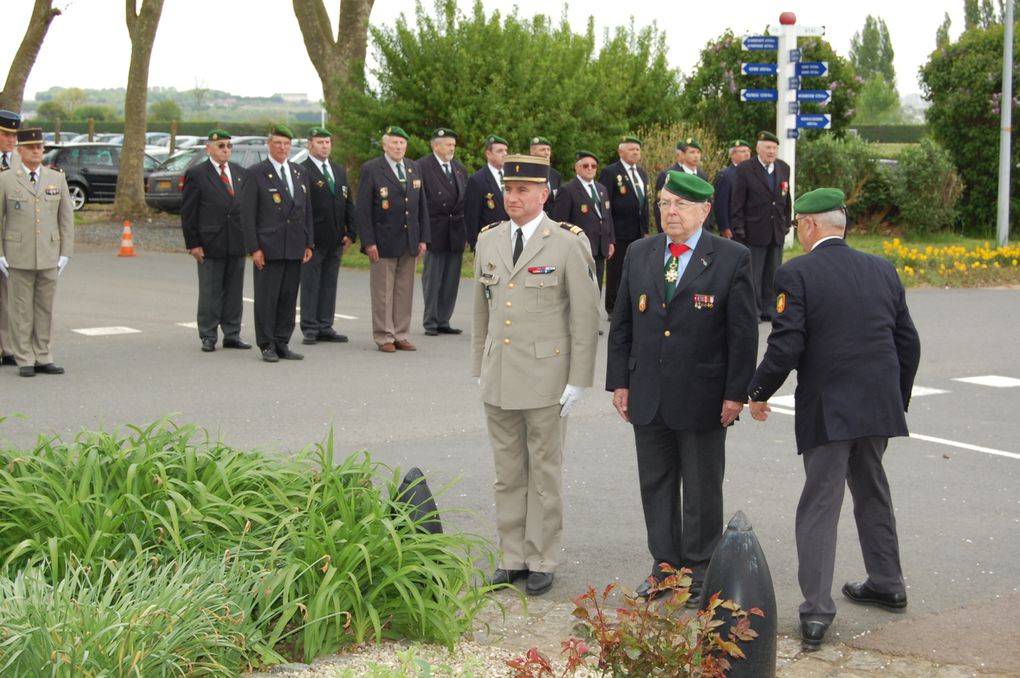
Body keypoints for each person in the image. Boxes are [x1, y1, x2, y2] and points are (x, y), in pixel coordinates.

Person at [746, 188, 921, 651]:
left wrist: (758, 392)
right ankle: (888, 582)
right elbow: (908, 343)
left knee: (820, 504)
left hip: (829, 407)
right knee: (872, 490)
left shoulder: (796, 272)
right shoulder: (882, 268)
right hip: (877, 407)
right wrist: (894, 399)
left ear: (807, 226)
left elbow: (786, 345)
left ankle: (817, 612)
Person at [605, 171, 757, 606]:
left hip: (704, 393)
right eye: (665, 203)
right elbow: (623, 322)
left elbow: (742, 334)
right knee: (655, 484)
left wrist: (735, 393)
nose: (670, 212)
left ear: (705, 210)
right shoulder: (640, 252)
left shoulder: (730, 257)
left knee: (702, 485)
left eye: (681, 205)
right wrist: (620, 381)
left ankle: (700, 568)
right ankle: (665, 568)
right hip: (648, 391)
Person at [471, 154, 601, 597]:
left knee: (544, 472)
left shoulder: (566, 243)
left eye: (522, 190)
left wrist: (578, 380)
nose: (512, 197)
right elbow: (480, 311)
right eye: (508, 190)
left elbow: (586, 316)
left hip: (547, 379)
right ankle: (512, 558)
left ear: (543, 195)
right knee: (507, 473)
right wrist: (479, 367)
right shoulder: (488, 240)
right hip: (499, 377)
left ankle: (543, 557)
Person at [0, 127, 74, 377]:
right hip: (18, 253)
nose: (36, 151)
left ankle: (43, 355)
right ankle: (24, 358)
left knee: (45, 308)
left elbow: (66, 219)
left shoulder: (56, 178)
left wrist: (66, 251)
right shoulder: (6, 179)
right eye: (30, 148)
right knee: (21, 309)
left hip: (49, 253)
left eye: (39, 147)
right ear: (20, 151)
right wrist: (0, 253)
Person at [240, 124, 313, 363]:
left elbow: (306, 211)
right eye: (278, 143)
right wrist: (254, 248)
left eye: (286, 144)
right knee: (267, 297)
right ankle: (267, 343)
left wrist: (308, 243)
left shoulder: (299, 172)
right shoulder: (255, 173)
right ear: (268, 145)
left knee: (288, 297)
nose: (282, 148)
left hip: (293, 244)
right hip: (268, 246)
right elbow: (247, 216)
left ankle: (282, 341)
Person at [355, 125, 429, 353]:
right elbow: (363, 210)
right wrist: (369, 242)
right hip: (383, 240)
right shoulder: (372, 169)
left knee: (404, 291)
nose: (398, 147)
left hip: (409, 239)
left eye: (402, 143)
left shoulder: (413, 167)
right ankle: (384, 335)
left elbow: (421, 206)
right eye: (394, 143)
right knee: (383, 292)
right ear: (385, 145)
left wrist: (423, 237)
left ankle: (401, 334)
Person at [181, 129, 252, 353]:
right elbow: (189, 212)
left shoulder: (240, 173)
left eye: (229, 146)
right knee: (211, 291)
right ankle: (208, 334)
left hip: (236, 240)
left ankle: (232, 333)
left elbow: (246, 209)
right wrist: (193, 243)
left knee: (234, 291)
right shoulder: (197, 174)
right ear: (208, 148)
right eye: (221, 146)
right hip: (211, 241)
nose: (226, 150)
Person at [300, 125, 355, 345]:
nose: (325, 146)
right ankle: (310, 327)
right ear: (310, 144)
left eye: (328, 142)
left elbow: (347, 201)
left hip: (336, 239)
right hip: (314, 240)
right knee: (311, 284)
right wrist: (306, 239)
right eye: (320, 142)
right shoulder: (302, 170)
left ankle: (325, 325)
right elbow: (301, 208)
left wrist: (351, 232)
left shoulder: (338, 170)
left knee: (329, 284)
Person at [730, 131, 792, 322]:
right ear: (758, 149)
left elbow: (785, 197)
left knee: (773, 272)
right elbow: (737, 201)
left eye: (774, 148)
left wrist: (787, 222)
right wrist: (738, 228)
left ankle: (770, 308)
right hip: (753, 230)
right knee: (754, 274)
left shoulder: (783, 168)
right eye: (767, 147)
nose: (771, 151)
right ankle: (754, 310)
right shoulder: (746, 169)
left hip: (776, 230)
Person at [418, 127, 468, 336]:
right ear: (435, 146)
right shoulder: (421, 166)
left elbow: (464, 201)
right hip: (434, 230)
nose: (452, 148)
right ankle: (430, 320)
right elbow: (419, 203)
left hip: (454, 231)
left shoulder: (458, 168)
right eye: (448, 144)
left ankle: (443, 319)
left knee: (450, 279)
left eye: (453, 145)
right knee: (433, 278)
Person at [599, 135, 649, 316]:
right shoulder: (611, 172)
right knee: (616, 271)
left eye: (637, 149)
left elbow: (645, 204)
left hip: (637, 231)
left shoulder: (641, 173)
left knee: (636, 270)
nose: (635, 152)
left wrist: (645, 229)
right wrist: (608, 234)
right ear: (621, 152)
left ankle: (631, 304)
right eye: (631, 149)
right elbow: (605, 205)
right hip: (619, 231)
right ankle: (612, 307)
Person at [551, 150, 614, 292]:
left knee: (597, 286)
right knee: (581, 287)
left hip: (600, 246)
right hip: (579, 247)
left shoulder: (601, 189)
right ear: (577, 168)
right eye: (586, 165)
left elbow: (607, 216)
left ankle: (595, 313)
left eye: (594, 166)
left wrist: (610, 240)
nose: (590, 168)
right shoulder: (567, 189)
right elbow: (560, 222)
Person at [0, 109, 22, 367]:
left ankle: (7, 347)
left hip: (13, 239)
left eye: (14, 135)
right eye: (5, 134)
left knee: (8, 295)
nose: (11, 140)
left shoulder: (20, 162)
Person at [653, 138, 708, 232]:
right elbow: (660, 205)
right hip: (676, 229)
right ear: (682, 155)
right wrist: (663, 231)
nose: (696, 156)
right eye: (692, 152)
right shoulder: (669, 175)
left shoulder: (702, 175)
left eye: (698, 152)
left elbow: (705, 202)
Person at [464, 134, 509, 248]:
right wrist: (475, 243)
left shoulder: (511, 177)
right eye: (499, 151)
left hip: (510, 238)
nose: (505, 154)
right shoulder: (477, 180)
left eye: (505, 150)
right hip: (489, 240)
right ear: (488, 154)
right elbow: (472, 215)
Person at [711, 138, 752, 240]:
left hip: (750, 227)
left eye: (748, 151)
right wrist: (724, 227)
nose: (747, 154)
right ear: (732, 154)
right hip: (732, 228)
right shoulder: (725, 175)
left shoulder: (753, 173)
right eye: (743, 151)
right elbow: (721, 204)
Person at [529, 136, 561, 214]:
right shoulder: (526, 173)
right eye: (542, 150)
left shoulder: (555, 175)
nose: (547, 153)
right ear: (532, 152)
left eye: (548, 150)